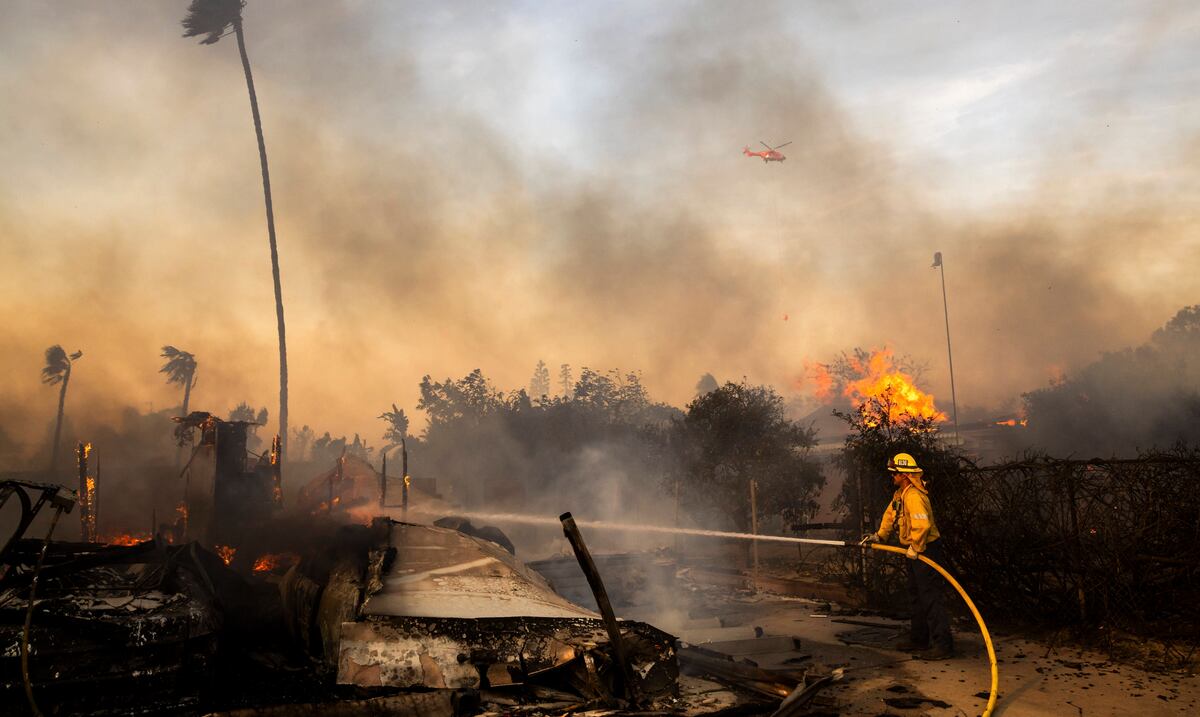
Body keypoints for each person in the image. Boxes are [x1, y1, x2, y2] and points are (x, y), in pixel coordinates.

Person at [861, 452, 955, 659]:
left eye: (894, 473)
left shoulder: (914, 496)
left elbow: (922, 525)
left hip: (926, 551)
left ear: (904, 474)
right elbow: (890, 516)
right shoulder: (900, 495)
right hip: (914, 552)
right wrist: (879, 536)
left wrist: (916, 546)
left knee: (930, 598)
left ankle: (943, 646)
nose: (891, 476)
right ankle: (919, 639)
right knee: (916, 596)